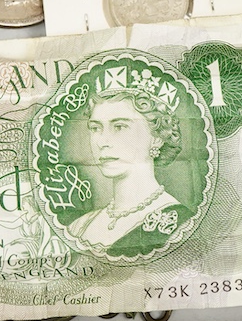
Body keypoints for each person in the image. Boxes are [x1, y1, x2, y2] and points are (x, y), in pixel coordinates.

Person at [66, 87, 192, 259]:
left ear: (157, 138)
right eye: (95, 128)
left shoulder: (181, 224)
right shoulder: (80, 226)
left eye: (119, 127)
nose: (102, 142)